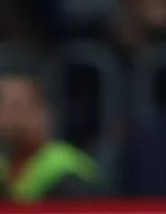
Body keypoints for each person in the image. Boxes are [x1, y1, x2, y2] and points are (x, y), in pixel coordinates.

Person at [0, 70, 104, 201]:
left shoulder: (66, 173)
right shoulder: (6, 170)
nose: (5, 116)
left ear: (42, 113)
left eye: (15, 107)